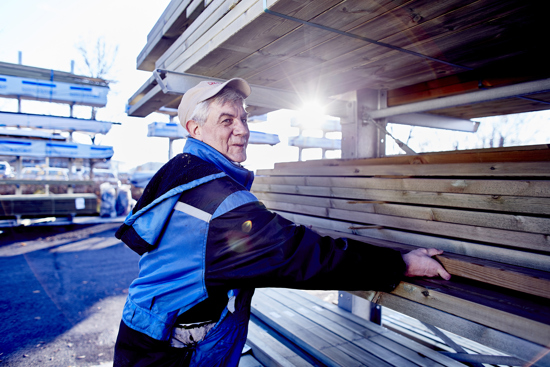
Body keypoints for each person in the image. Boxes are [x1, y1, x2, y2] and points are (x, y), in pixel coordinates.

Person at [113, 78, 451, 366]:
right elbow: (301, 255)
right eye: (227, 121)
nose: (243, 130)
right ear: (195, 129)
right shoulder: (218, 201)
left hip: (148, 335)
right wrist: (398, 264)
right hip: (171, 355)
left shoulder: (184, 174)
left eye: (244, 118)